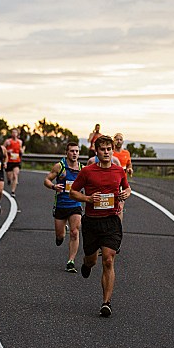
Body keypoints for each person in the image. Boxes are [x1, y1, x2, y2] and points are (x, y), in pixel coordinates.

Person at [69, 135, 131, 317]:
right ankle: (86, 265)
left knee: (109, 259)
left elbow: (126, 188)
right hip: (92, 221)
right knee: (92, 260)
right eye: (102, 149)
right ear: (96, 151)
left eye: (109, 149)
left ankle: (106, 302)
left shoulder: (119, 171)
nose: (106, 152)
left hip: (111, 221)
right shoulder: (87, 171)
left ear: (113, 151)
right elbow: (73, 192)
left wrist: (126, 194)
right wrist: (87, 198)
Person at [44, 142, 83, 273]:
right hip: (61, 204)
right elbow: (47, 180)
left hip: (75, 204)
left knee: (75, 232)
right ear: (67, 152)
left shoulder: (82, 169)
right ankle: (61, 234)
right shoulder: (60, 167)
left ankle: (71, 261)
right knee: (60, 236)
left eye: (77, 151)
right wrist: (54, 186)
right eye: (72, 151)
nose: (74, 153)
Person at [3, 128, 24, 197]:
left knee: (15, 175)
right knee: (9, 177)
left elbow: (21, 150)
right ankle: (9, 180)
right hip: (9, 161)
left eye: (15, 133)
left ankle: (13, 191)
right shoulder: (8, 141)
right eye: (13, 132)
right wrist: (8, 151)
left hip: (16, 161)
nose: (14, 134)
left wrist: (21, 151)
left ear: (17, 134)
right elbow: (2, 149)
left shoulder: (20, 142)